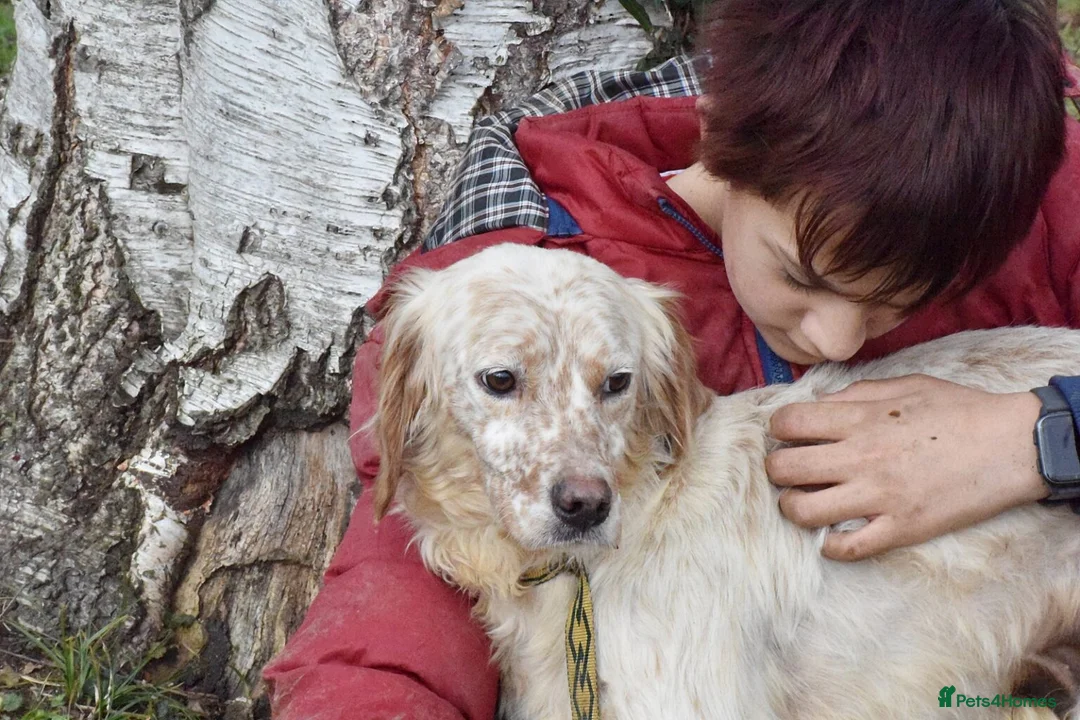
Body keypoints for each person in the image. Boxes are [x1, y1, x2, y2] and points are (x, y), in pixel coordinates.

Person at [264, 1, 1080, 718]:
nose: (838, 339)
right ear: (720, 137)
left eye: (902, 299)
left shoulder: (1012, 179)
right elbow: (403, 584)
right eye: (803, 275)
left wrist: (1037, 438)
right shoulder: (516, 279)